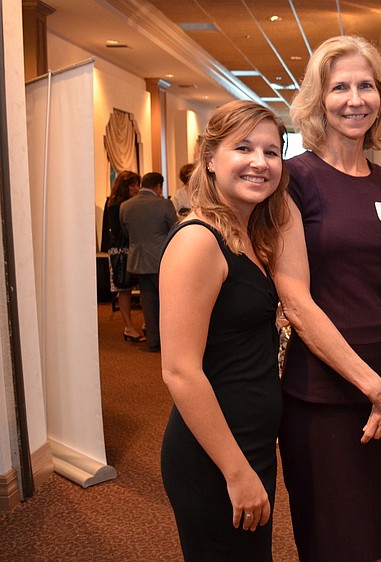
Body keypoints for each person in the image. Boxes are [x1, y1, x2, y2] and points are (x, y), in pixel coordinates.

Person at [272, 35, 381, 562]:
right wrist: (371, 387)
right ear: (318, 99)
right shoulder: (294, 181)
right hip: (325, 394)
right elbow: (295, 299)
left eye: (366, 86)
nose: (354, 99)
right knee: (333, 539)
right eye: (340, 87)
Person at [159, 100, 288, 561]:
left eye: (272, 151)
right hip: (214, 454)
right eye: (244, 147)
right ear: (210, 159)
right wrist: (236, 472)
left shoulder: (246, 235)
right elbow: (179, 371)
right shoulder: (198, 240)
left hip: (246, 441)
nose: (260, 162)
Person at [120, 171, 177, 352]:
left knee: (148, 302)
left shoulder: (126, 206)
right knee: (168, 302)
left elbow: (125, 232)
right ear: (158, 186)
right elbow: (175, 229)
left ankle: (153, 341)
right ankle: (170, 342)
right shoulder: (164, 204)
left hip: (139, 260)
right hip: (162, 259)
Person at [103, 170, 145, 342]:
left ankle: (144, 323)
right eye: (134, 184)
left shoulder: (127, 203)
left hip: (131, 249)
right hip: (121, 251)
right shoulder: (115, 205)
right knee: (124, 289)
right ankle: (128, 326)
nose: (137, 188)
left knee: (142, 286)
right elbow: (119, 230)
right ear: (125, 186)